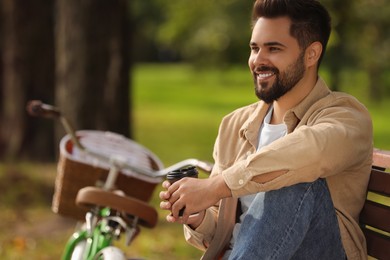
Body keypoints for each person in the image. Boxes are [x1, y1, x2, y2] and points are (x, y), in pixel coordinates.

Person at [159, 0, 373, 259]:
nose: (257, 60)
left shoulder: (347, 117)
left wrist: (216, 186)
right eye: (254, 48)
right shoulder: (235, 124)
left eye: (273, 48)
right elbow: (224, 231)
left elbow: (308, 153)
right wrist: (197, 215)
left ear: (311, 54)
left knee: (293, 178)